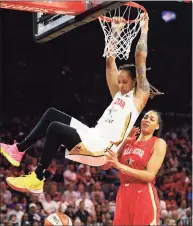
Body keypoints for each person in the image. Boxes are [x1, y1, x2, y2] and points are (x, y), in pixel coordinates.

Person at [1, 14, 160, 194]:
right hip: (92, 134)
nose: (120, 85)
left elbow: (140, 57)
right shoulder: (118, 95)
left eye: (124, 82)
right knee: (52, 113)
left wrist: (144, 30)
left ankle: (37, 178)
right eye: (119, 81)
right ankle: (18, 150)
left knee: (55, 127)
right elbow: (110, 63)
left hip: (102, 148)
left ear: (135, 82)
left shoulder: (139, 98)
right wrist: (115, 34)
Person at [103, 110, 167, 226]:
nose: (147, 120)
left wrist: (120, 166)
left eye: (152, 119)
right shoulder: (128, 141)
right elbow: (106, 165)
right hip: (123, 193)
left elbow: (149, 176)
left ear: (157, 126)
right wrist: (122, 142)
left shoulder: (158, 143)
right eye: (145, 117)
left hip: (143, 193)